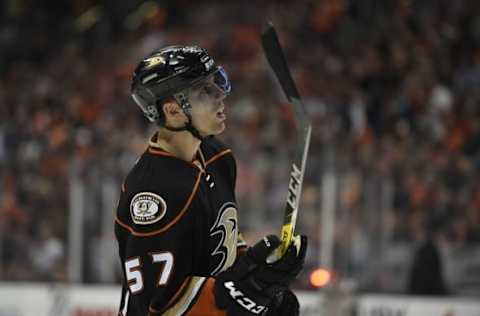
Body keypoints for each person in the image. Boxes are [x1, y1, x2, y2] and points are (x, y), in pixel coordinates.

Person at [114, 45, 308, 316]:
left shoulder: (218, 156)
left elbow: (221, 245)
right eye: (204, 91)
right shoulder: (154, 192)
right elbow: (159, 306)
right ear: (173, 111)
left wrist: (262, 278)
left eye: (217, 82)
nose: (221, 96)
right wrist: (245, 290)